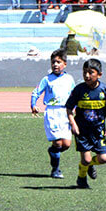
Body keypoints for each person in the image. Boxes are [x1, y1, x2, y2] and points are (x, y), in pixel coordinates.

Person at [65, 58, 106, 189]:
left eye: (91, 72)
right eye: (85, 72)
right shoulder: (79, 90)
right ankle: (81, 178)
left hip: (98, 130)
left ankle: (89, 165)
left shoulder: (105, 90)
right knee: (85, 159)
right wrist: (73, 124)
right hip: (82, 130)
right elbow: (69, 108)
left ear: (99, 74)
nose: (87, 75)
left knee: (104, 158)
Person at [31, 49, 76, 178]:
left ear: (65, 64)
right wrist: (33, 105)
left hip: (66, 113)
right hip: (52, 112)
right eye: (53, 62)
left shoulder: (69, 79)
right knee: (57, 142)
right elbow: (36, 92)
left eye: (58, 62)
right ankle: (55, 169)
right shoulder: (47, 79)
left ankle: (53, 151)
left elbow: (74, 95)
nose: (55, 64)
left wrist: (77, 108)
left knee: (66, 144)